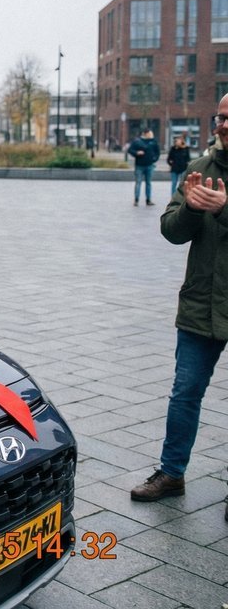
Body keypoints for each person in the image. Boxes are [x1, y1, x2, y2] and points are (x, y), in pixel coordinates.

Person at [130, 96, 228, 520]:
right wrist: (189, 207)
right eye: (221, 116)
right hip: (200, 305)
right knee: (185, 393)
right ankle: (172, 474)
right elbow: (170, 230)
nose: (223, 124)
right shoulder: (201, 169)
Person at [125, 128, 161, 206]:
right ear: (145, 134)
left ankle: (148, 200)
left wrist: (154, 159)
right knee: (138, 183)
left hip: (150, 165)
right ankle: (136, 200)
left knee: (148, 183)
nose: (151, 135)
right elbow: (130, 150)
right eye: (149, 133)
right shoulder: (137, 141)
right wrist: (137, 153)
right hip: (139, 166)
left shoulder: (153, 141)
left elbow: (157, 152)